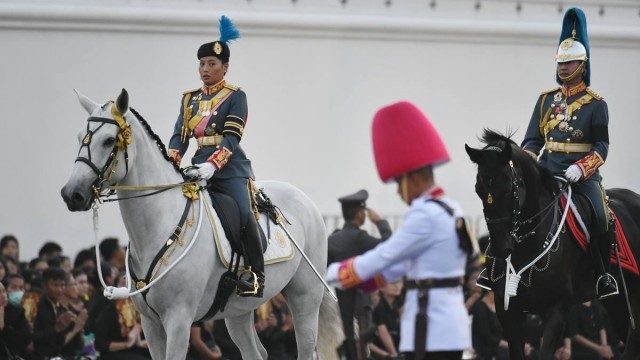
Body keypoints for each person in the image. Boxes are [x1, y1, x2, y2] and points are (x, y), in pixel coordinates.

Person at [326, 101, 472, 360]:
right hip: (447, 325)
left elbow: (386, 255)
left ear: (413, 178)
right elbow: (407, 264)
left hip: (430, 327)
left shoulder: (424, 213)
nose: (397, 191)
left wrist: (334, 273)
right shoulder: (450, 208)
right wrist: (368, 282)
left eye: (399, 182)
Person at [519, 7, 617, 299]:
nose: (563, 68)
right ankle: (499, 266)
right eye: (560, 62)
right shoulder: (546, 100)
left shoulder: (596, 104)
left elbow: (602, 148)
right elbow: (532, 141)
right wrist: (527, 164)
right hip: (548, 171)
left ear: (582, 65)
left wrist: (582, 168)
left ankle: (603, 276)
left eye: (569, 62)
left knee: (602, 218)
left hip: (581, 178)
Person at [166, 15, 263, 298]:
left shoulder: (235, 96)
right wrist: (172, 164)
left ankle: (256, 276)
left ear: (225, 67)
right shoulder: (189, 99)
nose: (205, 69)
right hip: (198, 166)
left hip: (229, 167)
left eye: (211, 64)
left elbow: (233, 137)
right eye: (202, 63)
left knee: (245, 215)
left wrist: (213, 164)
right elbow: (179, 137)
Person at [327, 189, 392, 360]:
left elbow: (325, 269)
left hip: (341, 298)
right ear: (359, 215)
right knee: (363, 339)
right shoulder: (360, 237)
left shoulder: (332, 240)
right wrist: (381, 222)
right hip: (363, 298)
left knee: (349, 337)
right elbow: (389, 246)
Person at [32, 267, 85, 359]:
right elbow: (32, 338)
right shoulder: (36, 306)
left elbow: (61, 343)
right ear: (44, 286)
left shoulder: (61, 308)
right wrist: (56, 328)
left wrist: (77, 328)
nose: (60, 289)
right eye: (55, 285)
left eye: (62, 285)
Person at [370, 279, 404, 359]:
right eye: (392, 282)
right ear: (381, 287)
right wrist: (393, 355)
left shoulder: (399, 303)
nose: (397, 286)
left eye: (399, 282)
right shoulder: (378, 306)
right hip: (381, 354)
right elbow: (383, 333)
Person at [0, 281, 31, 359]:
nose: (3, 296)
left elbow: (24, 340)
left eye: (3, 291)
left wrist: (4, 328)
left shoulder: (16, 312)